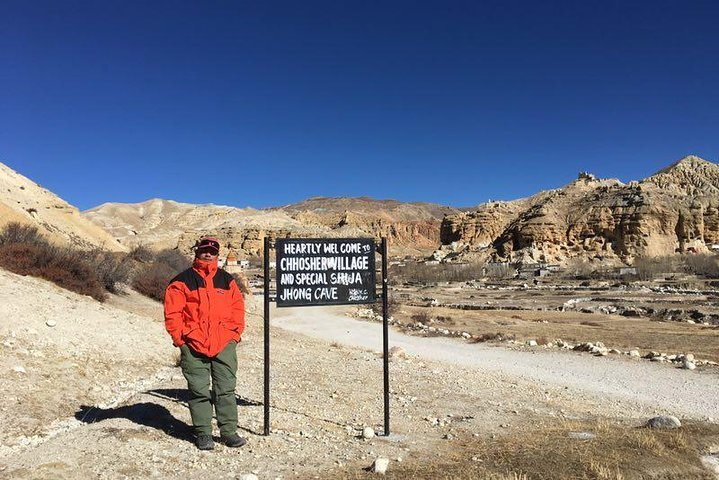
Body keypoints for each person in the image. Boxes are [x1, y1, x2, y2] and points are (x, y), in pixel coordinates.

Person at [164, 236, 247, 450]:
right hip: (193, 345)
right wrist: (180, 339)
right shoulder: (181, 281)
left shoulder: (227, 281)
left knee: (225, 389)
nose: (208, 253)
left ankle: (228, 432)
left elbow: (238, 309)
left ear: (217, 255)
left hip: (223, 344)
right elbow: (172, 313)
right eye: (204, 250)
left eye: (212, 250)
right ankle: (203, 433)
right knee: (198, 390)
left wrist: (234, 335)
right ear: (197, 252)